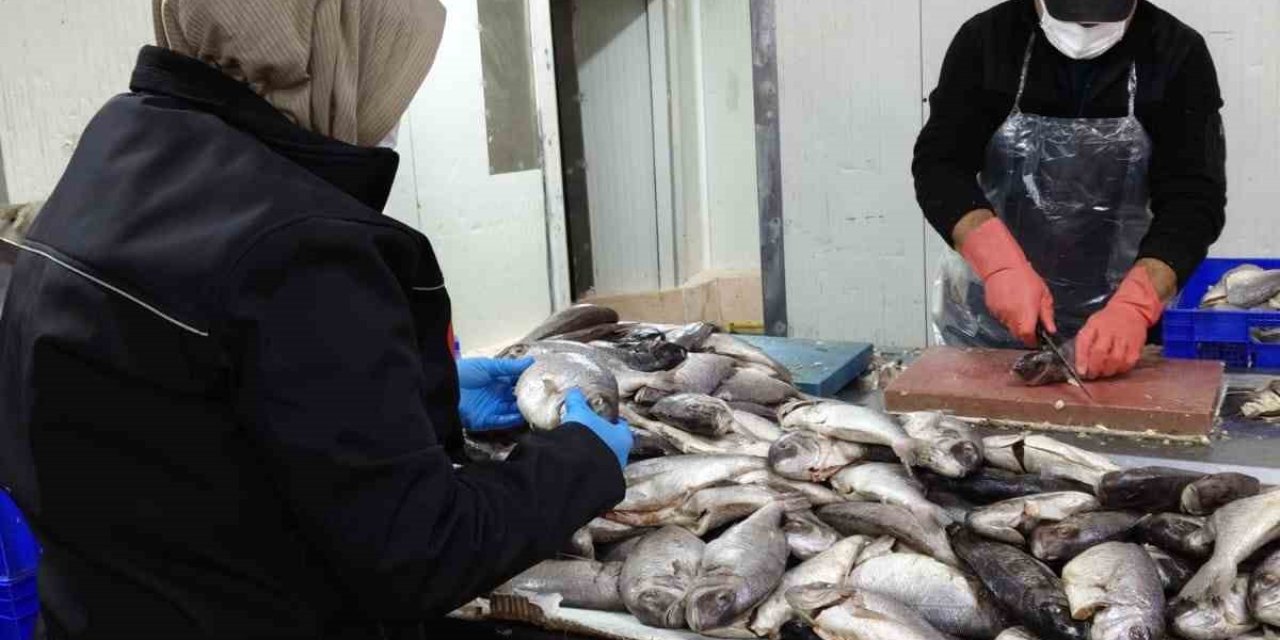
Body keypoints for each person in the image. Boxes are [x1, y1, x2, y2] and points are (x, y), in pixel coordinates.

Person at [0, 1, 632, 638]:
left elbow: (171, 399)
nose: (393, 106)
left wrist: (405, 390)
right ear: (335, 51)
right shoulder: (302, 243)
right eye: (393, 68)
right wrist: (583, 459)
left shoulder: (124, 145)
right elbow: (423, 554)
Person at [914, 0, 1226, 379]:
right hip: (988, 325)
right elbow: (941, 166)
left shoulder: (1176, 53)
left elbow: (1193, 198)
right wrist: (998, 265)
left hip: (1120, 335)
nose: (1086, 28)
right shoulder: (987, 41)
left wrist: (1135, 305)